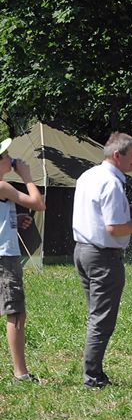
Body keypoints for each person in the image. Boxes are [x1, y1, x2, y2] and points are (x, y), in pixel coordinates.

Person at [72, 132, 132, 388]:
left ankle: (93, 372)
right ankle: (93, 377)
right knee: (101, 319)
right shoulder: (112, 183)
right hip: (104, 257)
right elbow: (114, 227)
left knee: (95, 315)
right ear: (118, 155)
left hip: (82, 251)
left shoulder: (87, 176)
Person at [0, 138, 45, 382]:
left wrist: (14, 217)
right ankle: (21, 373)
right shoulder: (3, 187)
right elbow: (39, 203)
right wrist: (27, 176)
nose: (11, 158)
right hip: (5, 257)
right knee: (16, 312)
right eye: (6, 155)